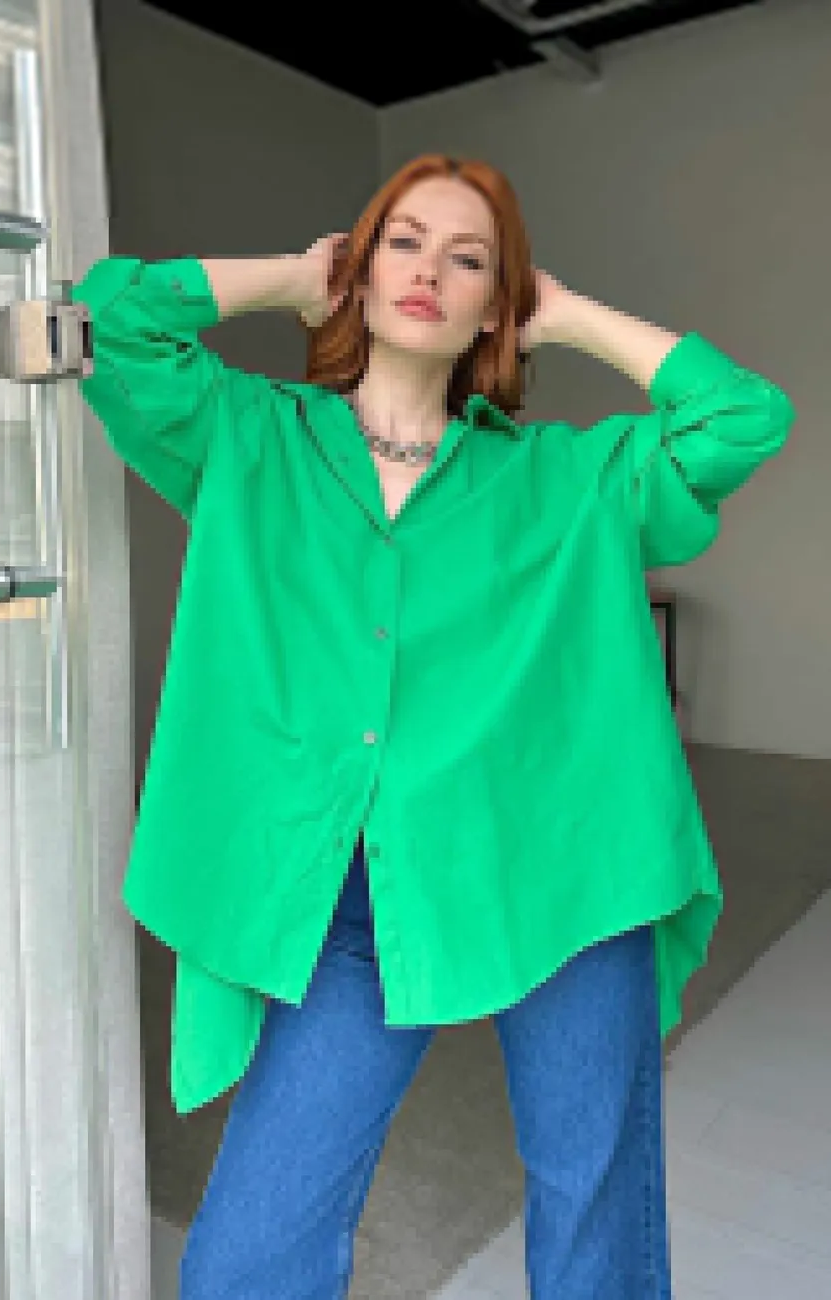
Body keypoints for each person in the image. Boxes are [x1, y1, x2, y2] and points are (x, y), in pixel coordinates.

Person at [73, 153, 795, 1299]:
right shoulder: (249, 437)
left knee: (592, 1224)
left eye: (469, 260)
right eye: (401, 242)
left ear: (494, 307)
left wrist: (565, 313)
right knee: (247, 1255)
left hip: (565, 877)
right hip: (356, 896)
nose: (427, 272)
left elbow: (742, 417)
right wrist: (291, 278)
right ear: (359, 272)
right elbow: (111, 322)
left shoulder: (567, 477)